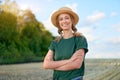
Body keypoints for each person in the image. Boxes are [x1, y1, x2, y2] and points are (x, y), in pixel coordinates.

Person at [43, 6, 88, 80]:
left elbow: (77, 64)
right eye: (61, 19)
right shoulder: (55, 42)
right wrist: (69, 61)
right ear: (59, 23)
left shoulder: (80, 39)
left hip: (74, 78)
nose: (64, 21)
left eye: (67, 18)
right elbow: (46, 64)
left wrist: (54, 66)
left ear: (72, 20)